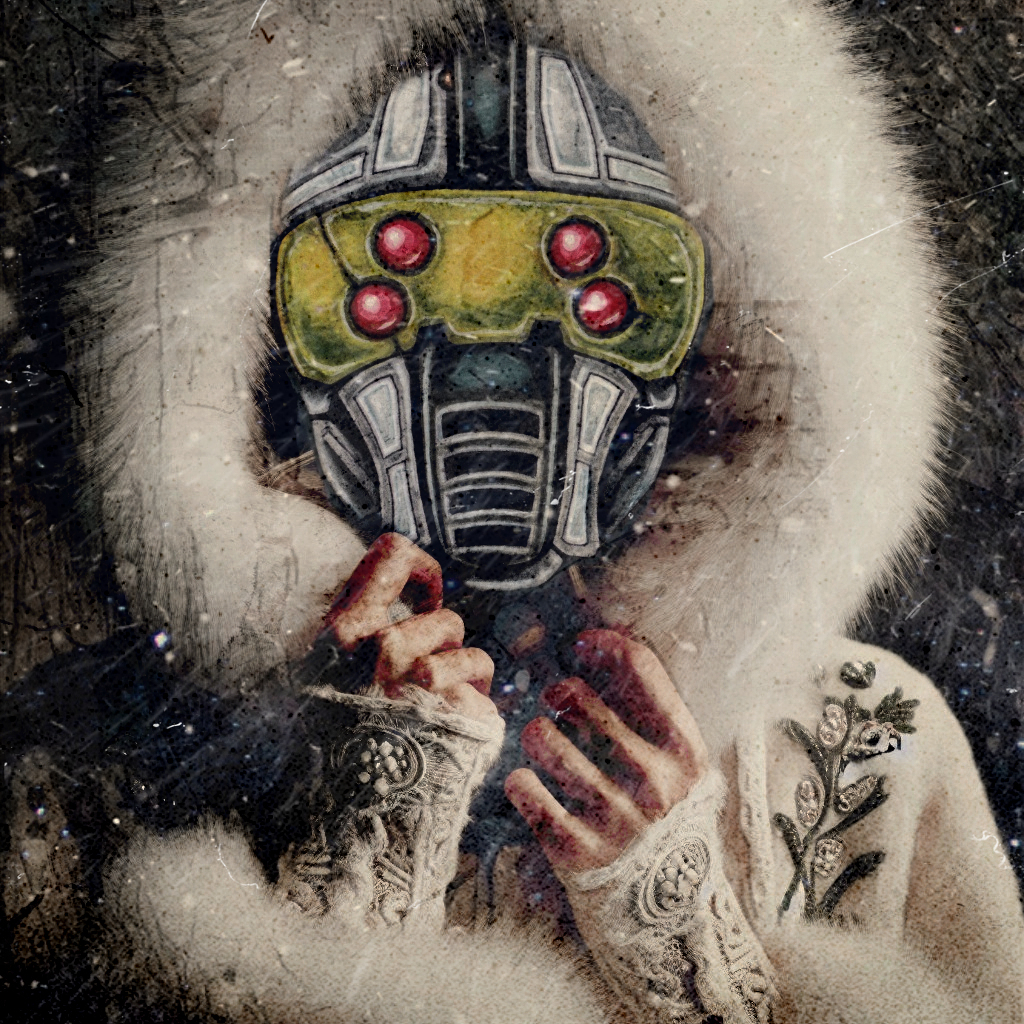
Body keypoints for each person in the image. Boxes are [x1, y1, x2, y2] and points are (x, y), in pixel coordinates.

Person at [3, 2, 1022, 1022]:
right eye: (386, 282)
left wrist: (681, 933)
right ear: (254, 329)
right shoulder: (94, 756)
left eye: (593, 285)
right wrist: (363, 843)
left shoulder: (869, 744)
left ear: (720, 334)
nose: (489, 366)